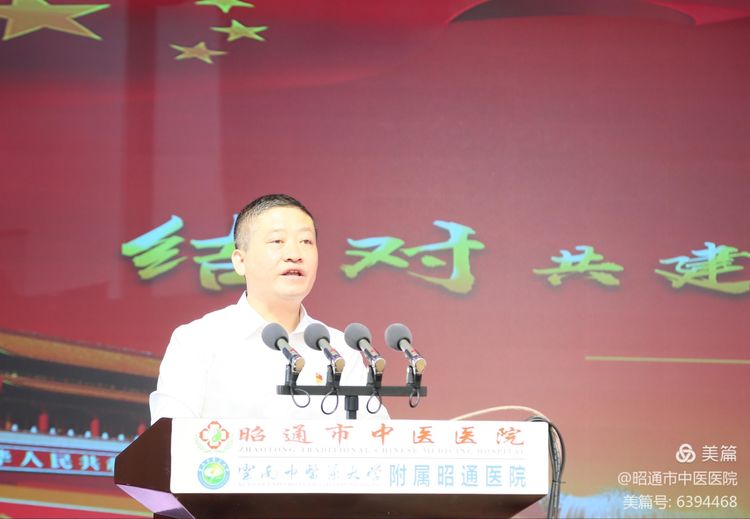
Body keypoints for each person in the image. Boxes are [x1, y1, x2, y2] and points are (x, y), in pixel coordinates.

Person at [149, 194, 388, 423]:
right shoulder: (198, 340)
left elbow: (378, 437)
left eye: (306, 242)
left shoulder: (339, 350)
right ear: (240, 261)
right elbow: (170, 439)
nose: (294, 255)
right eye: (277, 241)